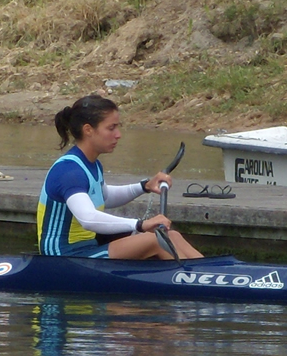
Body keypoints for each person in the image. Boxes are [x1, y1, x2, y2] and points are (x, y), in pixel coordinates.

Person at [38, 94, 203, 260]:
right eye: (111, 128)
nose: (118, 135)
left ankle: (216, 274)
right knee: (156, 240)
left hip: (87, 248)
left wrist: (144, 186)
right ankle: (196, 281)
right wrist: (140, 224)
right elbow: (87, 218)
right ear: (88, 130)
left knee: (171, 235)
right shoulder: (69, 172)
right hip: (63, 258)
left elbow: (106, 197)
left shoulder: (91, 164)